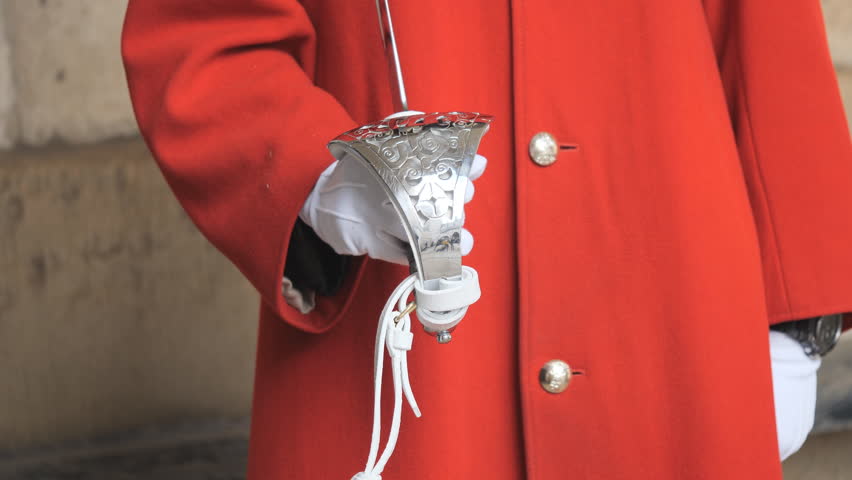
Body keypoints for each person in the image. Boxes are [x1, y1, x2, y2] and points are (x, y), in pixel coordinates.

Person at [121, 1, 852, 478]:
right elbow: (205, 38)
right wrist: (317, 177)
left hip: (669, 317)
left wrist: (796, 319)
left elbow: (766, 34)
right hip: (411, 365)